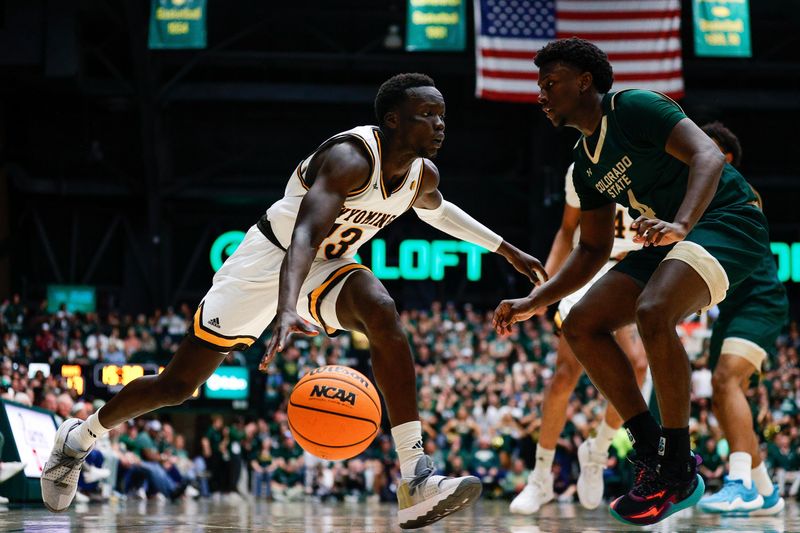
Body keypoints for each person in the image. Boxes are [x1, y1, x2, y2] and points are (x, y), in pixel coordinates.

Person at [41, 73, 546, 529]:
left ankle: (415, 475)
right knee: (178, 386)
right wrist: (286, 308)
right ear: (392, 120)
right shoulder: (350, 158)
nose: (439, 125)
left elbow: (439, 213)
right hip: (268, 261)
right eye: (426, 116)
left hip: (325, 268)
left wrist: (508, 250)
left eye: (442, 116)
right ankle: (79, 438)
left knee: (381, 310)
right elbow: (303, 234)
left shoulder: (421, 174)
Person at [492, 38, 770, 526]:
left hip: (727, 220)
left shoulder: (634, 106)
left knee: (652, 310)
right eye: (539, 85)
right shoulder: (584, 165)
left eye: (549, 82)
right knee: (581, 325)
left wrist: (681, 223)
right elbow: (591, 249)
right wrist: (537, 298)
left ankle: (680, 465)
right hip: (672, 239)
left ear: (584, 82)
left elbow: (707, 155)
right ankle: (652, 456)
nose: (541, 93)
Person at [510, 163, 648, 514]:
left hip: (630, 270)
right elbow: (566, 229)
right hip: (587, 267)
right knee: (564, 375)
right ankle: (540, 478)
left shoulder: (657, 163)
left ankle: (597, 449)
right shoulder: (583, 166)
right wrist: (543, 287)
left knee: (639, 367)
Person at [697, 121, 788, 515]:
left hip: (760, 299)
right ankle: (766, 491)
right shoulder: (689, 194)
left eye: (705, 146)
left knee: (725, 379)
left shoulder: (741, 192)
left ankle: (740, 484)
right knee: (723, 396)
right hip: (730, 307)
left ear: (727, 159)